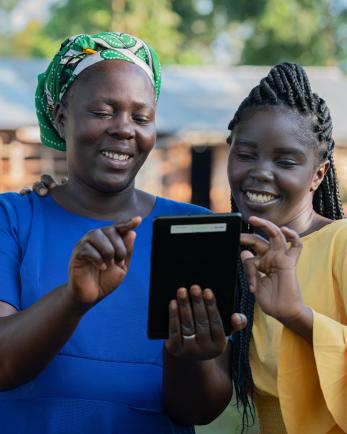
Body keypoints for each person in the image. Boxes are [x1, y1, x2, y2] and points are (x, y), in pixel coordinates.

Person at [0, 32, 244, 434]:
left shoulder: (193, 230)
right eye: (102, 111)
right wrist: (72, 299)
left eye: (141, 117)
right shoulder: (13, 218)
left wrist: (189, 356)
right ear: (62, 116)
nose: (124, 129)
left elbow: (199, 412)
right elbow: (2, 365)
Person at [228, 62, 347, 433]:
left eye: (285, 161)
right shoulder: (231, 253)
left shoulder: (339, 243)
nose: (261, 172)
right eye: (246, 154)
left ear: (318, 174)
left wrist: (297, 315)